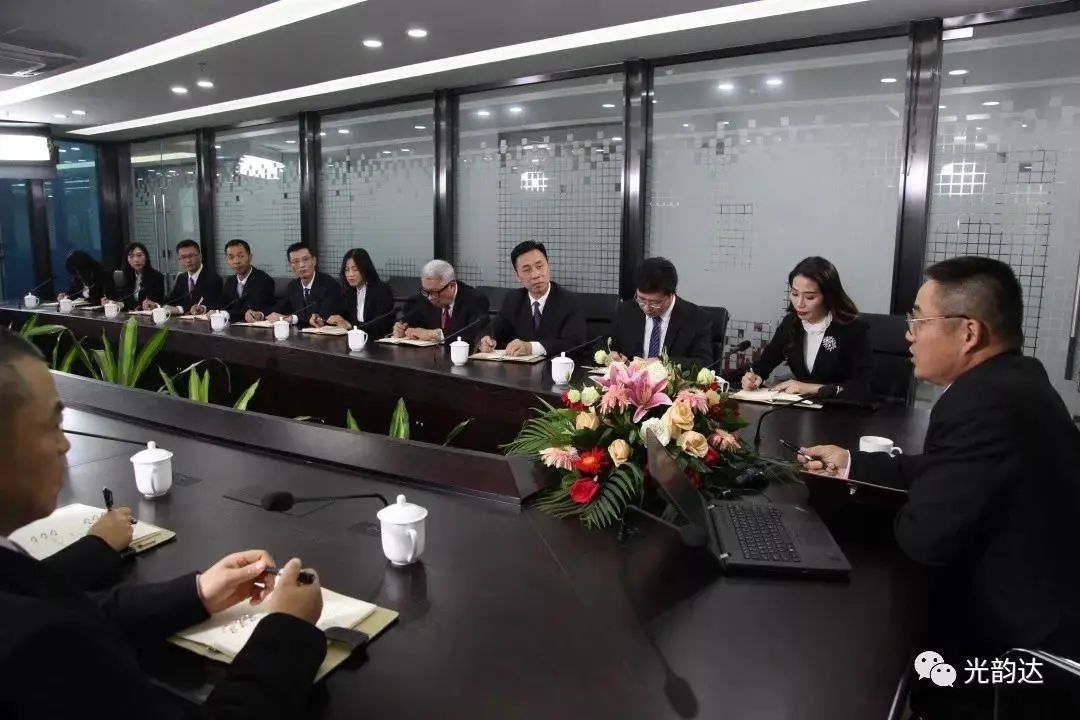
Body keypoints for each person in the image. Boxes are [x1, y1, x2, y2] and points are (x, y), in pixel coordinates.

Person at [799, 257, 1080, 718]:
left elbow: (923, 538)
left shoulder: (980, 402)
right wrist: (851, 464)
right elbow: (943, 467)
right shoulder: (1017, 380)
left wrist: (842, 505)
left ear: (969, 332)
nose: (908, 334)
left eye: (919, 319)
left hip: (1016, 650)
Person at [0, 326, 326, 719]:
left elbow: (77, 607)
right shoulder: (32, 644)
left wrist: (198, 593)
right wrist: (287, 629)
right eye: (53, 425)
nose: (65, 444)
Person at [734, 256, 871, 401]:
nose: (799, 303)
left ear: (828, 296)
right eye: (794, 294)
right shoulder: (791, 323)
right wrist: (754, 377)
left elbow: (864, 387)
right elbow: (764, 365)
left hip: (842, 410)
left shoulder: (852, 328)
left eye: (810, 297)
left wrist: (809, 388)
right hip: (801, 409)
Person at [478, 241, 585, 358]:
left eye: (539, 266)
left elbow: (574, 344)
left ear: (548, 266)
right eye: (527, 270)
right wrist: (487, 339)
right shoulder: (513, 300)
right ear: (517, 276)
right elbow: (493, 329)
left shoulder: (569, 301)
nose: (535, 275)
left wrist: (531, 348)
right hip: (518, 368)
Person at [608, 257, 713, 368]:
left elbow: (705, 362)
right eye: (641, 299)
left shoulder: (697, 319)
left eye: (655, 302)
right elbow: (605, 345)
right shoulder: (626, 311)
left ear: (672, 294)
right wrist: (612, 355)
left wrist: (663, 363)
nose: (647, 308)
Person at [395, 260, 489, 344]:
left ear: (451, 286)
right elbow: (412, 317)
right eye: (425, 291)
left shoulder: (475, 300)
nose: (430, 297)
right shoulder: (425, 296)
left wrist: (434, 334)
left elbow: (474, 333)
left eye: (434, 292)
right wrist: (402, 326)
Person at [248, 243, 340, 328]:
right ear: (290, 265)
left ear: (314, 261)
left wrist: (292, 319)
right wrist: (260, 314)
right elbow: (281, 307)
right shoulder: (293, 286)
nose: (301, 265)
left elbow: (324, 316)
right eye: (296, 261)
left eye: (305, 259)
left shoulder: (329, 285)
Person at [312, 248, 396, 338]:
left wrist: (350, 326)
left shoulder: (381, 291)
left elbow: (379, 328)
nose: (350, 274)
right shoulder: (348, 293)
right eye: (347, 270)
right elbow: (341, 319)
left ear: (365, 269)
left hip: (376, 343)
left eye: (355, 269)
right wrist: (323, 321)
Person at [149, 239, 223, 316]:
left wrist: (180, 309)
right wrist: (156, 305)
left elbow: (213, 305)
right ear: (179, 260)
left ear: (200, 256)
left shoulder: (213, 279)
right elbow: (171, 300)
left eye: (191, 256)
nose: (188, 260)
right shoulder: (181, 278)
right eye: (183, 257)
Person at [220, 239, 276, 322]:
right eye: (231, 257)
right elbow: (223, 305)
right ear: (227, 260)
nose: (236, 261)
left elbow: (251, 310)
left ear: (250, 257)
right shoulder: (230, 281)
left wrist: (226, 314)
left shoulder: (264, 280)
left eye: (241, 256)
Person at [120, 242, 165, 310]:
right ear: (127, 260)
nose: (136, 260)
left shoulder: (157, 277)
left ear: (146, 257)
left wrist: (154, 305)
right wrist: (118, 304)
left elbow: (161, 303)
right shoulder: (125, 276)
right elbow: (125, 300)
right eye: (131, 256)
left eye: (139, 255)